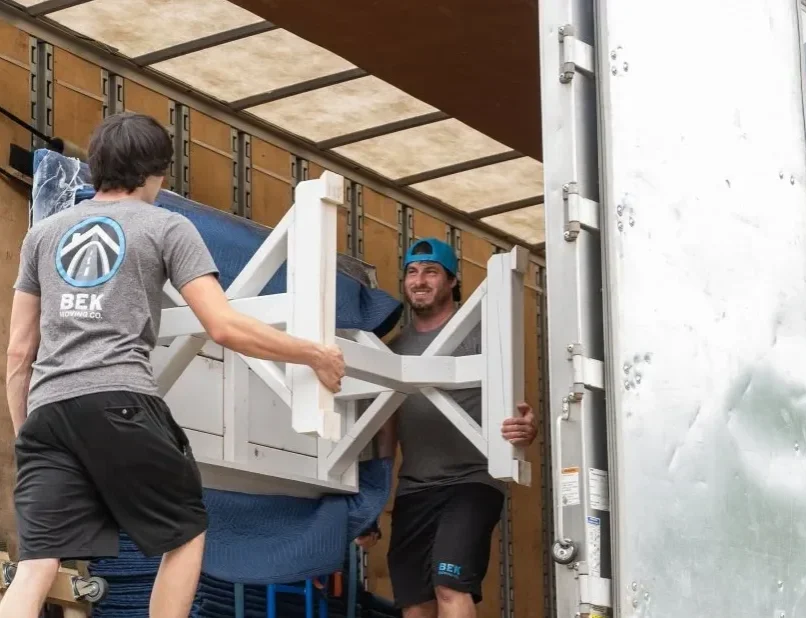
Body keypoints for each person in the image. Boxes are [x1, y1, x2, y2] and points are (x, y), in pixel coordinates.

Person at [2, 112, 346, 618]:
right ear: (157, 172)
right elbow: (223, 326)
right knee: (185, 533)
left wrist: (28, 436)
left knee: (36, 565)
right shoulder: (167, 226)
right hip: (119, 399)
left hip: (47, 413)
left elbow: (18, 352)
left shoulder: (44, 233)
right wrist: (314, 354)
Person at [357, 237, 538, 618]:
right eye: (412, 272)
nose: (419, 280)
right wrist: (373, 502)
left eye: (431, 272)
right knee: (415, 605)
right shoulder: (394, 350)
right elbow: (385, 432)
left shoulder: (481, 337)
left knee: (450, 585)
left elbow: (516, 408)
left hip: (471, 481)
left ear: (453, 281)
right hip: (414, 490)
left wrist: (525, 429)